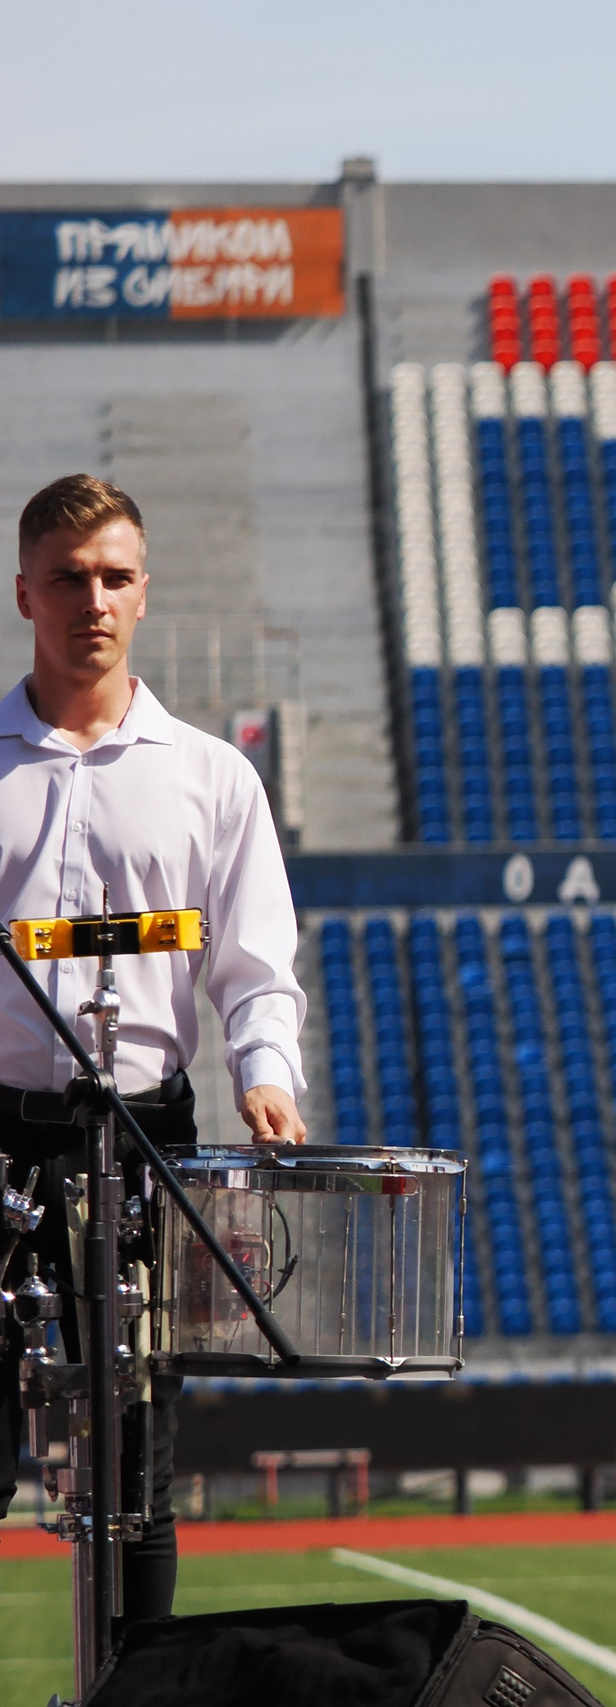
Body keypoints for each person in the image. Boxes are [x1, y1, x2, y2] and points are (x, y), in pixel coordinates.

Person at [0, 474, 308, 1635]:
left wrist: (266, 1071)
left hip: (145, 1141)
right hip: (0, 1132)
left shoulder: (212, 777)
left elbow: (256, 961)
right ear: (23, 590)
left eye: (116, 577)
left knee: (137, 1471)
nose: (94, 600)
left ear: (146, 592)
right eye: (70, 578)